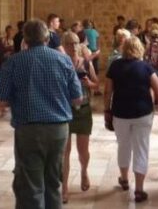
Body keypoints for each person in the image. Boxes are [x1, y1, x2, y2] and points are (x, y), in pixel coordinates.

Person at [0, 19, 83, 209]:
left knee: (30, 185)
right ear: (47, 37)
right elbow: (77, 99)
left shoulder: (14, 62)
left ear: (25, 39)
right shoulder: (63, 60)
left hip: (29, 129)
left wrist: (20, 99)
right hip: (58, 129)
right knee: (53, 182)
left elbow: (0, 101)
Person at [104, 36, 158, 203]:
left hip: (120, 113)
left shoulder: (115, 66)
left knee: (123, 145)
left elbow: (108, 91)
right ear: (140, 49)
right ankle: (139, 189)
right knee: (141, 148)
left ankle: (124, 179)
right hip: (142, 113)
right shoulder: (146, 67)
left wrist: (106, 110)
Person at [60, 31, 97, 204]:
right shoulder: (59, 63)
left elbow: (97, 84)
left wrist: (89, 83)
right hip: (65, 110)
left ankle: (84, 171)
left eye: (75, 43)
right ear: (63, 46)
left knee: (83, 151)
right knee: (64, 152)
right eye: (69, 44)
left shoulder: (86, 62)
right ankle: (64, 188)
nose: (73, 47)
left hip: (83, 110)